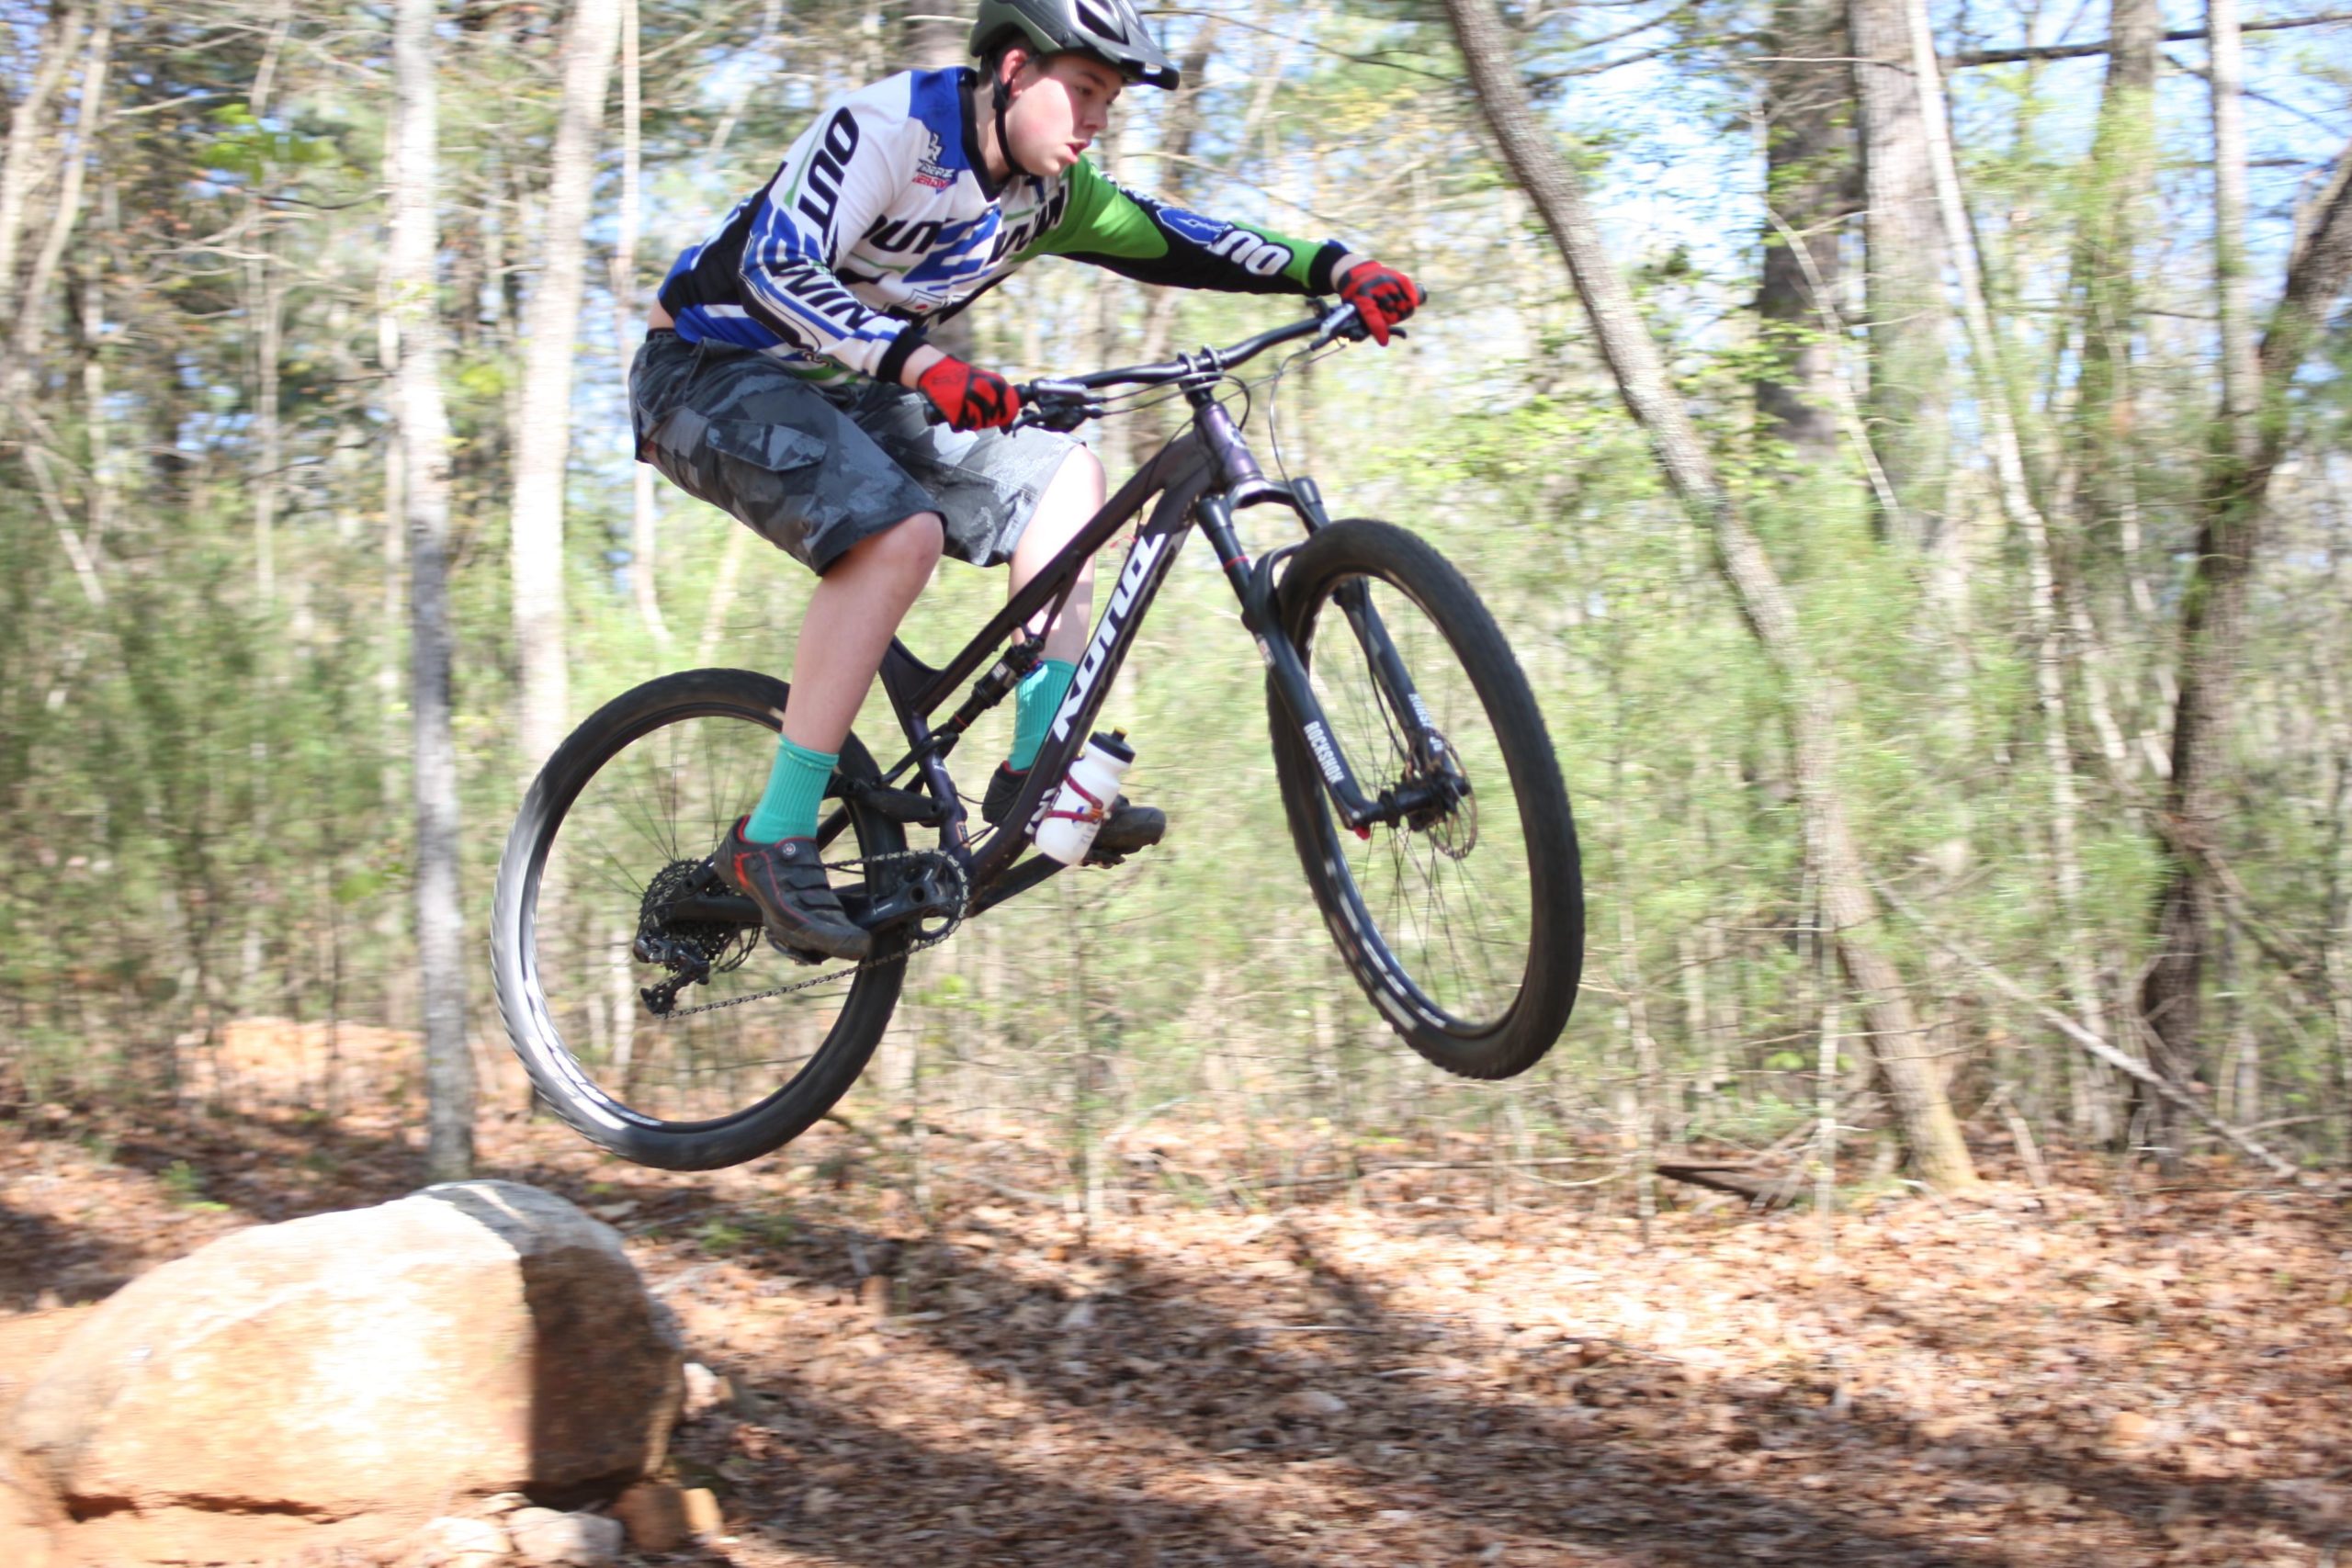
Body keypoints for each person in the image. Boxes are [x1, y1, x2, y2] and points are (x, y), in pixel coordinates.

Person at [630, 0, 1423, 961]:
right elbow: (775, 266)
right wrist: (923, 367)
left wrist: (1334, 266)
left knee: (1066, 474)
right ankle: (773, 831)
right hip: (704, 374)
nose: (1094, 122)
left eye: (1108, 104)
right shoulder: (888, 129)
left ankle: (1034, 767)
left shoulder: (1051, 197)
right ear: (1012, 70)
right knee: (901, 535)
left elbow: (1181, 237)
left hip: (847, 387)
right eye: (1082, 92)